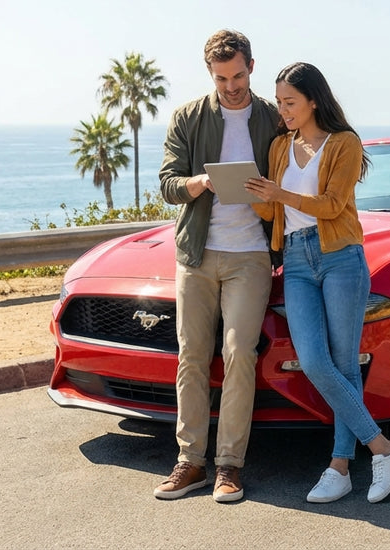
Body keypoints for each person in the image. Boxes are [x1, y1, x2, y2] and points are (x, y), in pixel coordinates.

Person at [245, 62, 390, 504]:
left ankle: (339, 467)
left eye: (291, 102)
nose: (283, 110)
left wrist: (280, 195)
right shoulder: (280, 146)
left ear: (313, 99)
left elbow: (334, 205)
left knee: (343, 363)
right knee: (316, 361)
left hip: (340, 257)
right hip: (296, 259)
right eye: (279, 102)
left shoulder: (345, 143)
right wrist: (251, 195)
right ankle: (383, 449)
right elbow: (275, 214)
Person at [155, 29, 282, 503]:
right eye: (223, 77)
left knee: (238, 354)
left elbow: (293, 176)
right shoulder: (188, 117)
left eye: (240, 75)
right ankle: (190, 462)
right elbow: (167, 183)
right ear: (210, 74)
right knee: (191, 355)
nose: (232, 86)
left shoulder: (273, 117)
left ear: (252, 66)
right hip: (197, 254)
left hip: (251, 254)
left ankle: (229, 465)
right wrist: (199, 183)